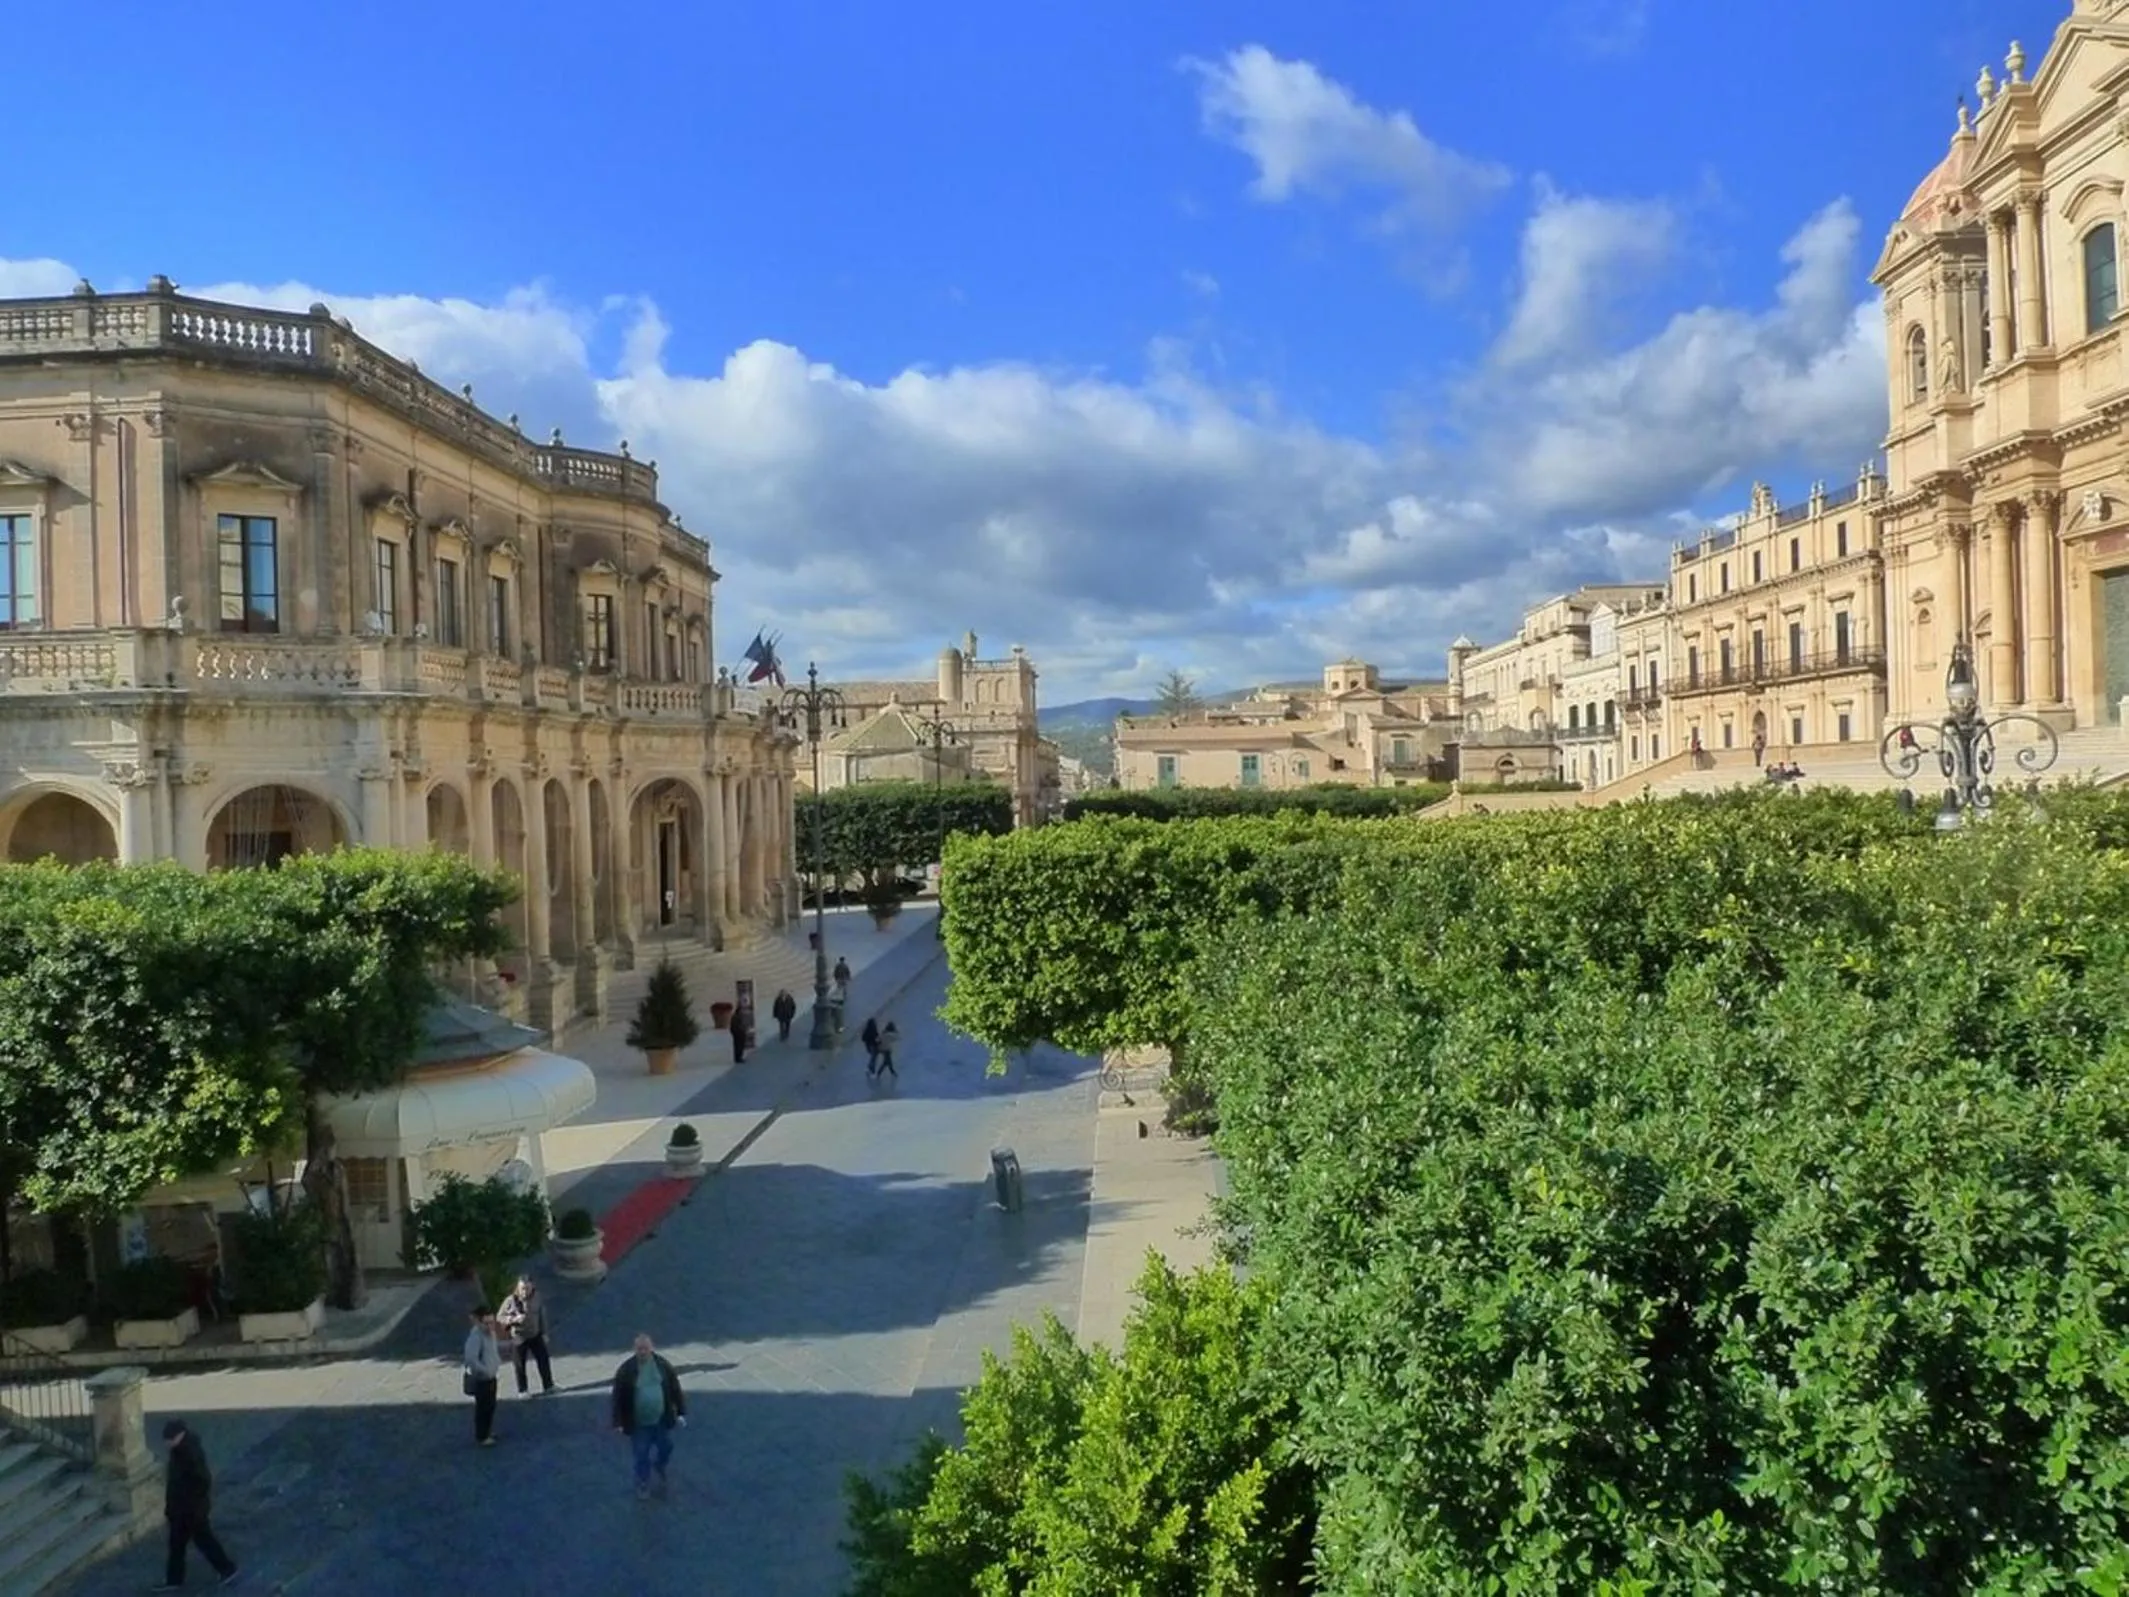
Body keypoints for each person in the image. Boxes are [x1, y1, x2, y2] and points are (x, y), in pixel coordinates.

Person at [156, 1419, 238, 1590]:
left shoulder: (188, 1453)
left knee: (202, 1541)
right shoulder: (181, 1450)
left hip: (190, 1511)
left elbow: (202, 1481)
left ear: (179, 1436)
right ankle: (174, 1580)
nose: (167, 1443)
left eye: (169, 1439)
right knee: (178, 1544)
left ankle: (226, 1568)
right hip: (182, 1510)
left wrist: (191, 1503)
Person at [610, 1332, 688, 1500]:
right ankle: (643, 1483)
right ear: (634, 1349)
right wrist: (618, 1421)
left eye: (645, 1348)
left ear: (652, 1348)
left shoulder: (662, 1365)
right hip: (639, 1423)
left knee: (667, 1447)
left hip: (660, 1419)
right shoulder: (626, 1370)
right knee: (641, 1454)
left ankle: (660, 1464)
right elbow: (618, 1396)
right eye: (639, 1349)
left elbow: (675, 1388)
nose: (643, 1352)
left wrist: (680, 1411)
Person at [496, 1277, 553, 1396]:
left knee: (543, 1360)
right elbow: (499, 1317)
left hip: (535, 1334)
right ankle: (523, 1390)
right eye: (522, 1289)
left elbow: (542, 1315)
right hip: (519, 1336)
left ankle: (548, 1386)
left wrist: (545, 1332)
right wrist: (512, 1319)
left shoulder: (537, 1297)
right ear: (518, 1288)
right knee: (520, 1365)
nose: (525, 1291)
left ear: (532, 1286)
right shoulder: (511, 1300)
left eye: (527, 1288)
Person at [463, 1304, 502, 1446]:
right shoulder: (476, 1336)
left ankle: (487, 1432)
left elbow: (494, 1349)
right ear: (479, 1322)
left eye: (492, 1322)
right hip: (482, 1379)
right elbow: (471, 1359)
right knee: (483, 1408)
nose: (491, 1326)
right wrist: (485, 1370)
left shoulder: (490, 1333)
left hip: (491, 1377)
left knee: (490, 1406)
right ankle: (482, 1436)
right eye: (487, 1323)